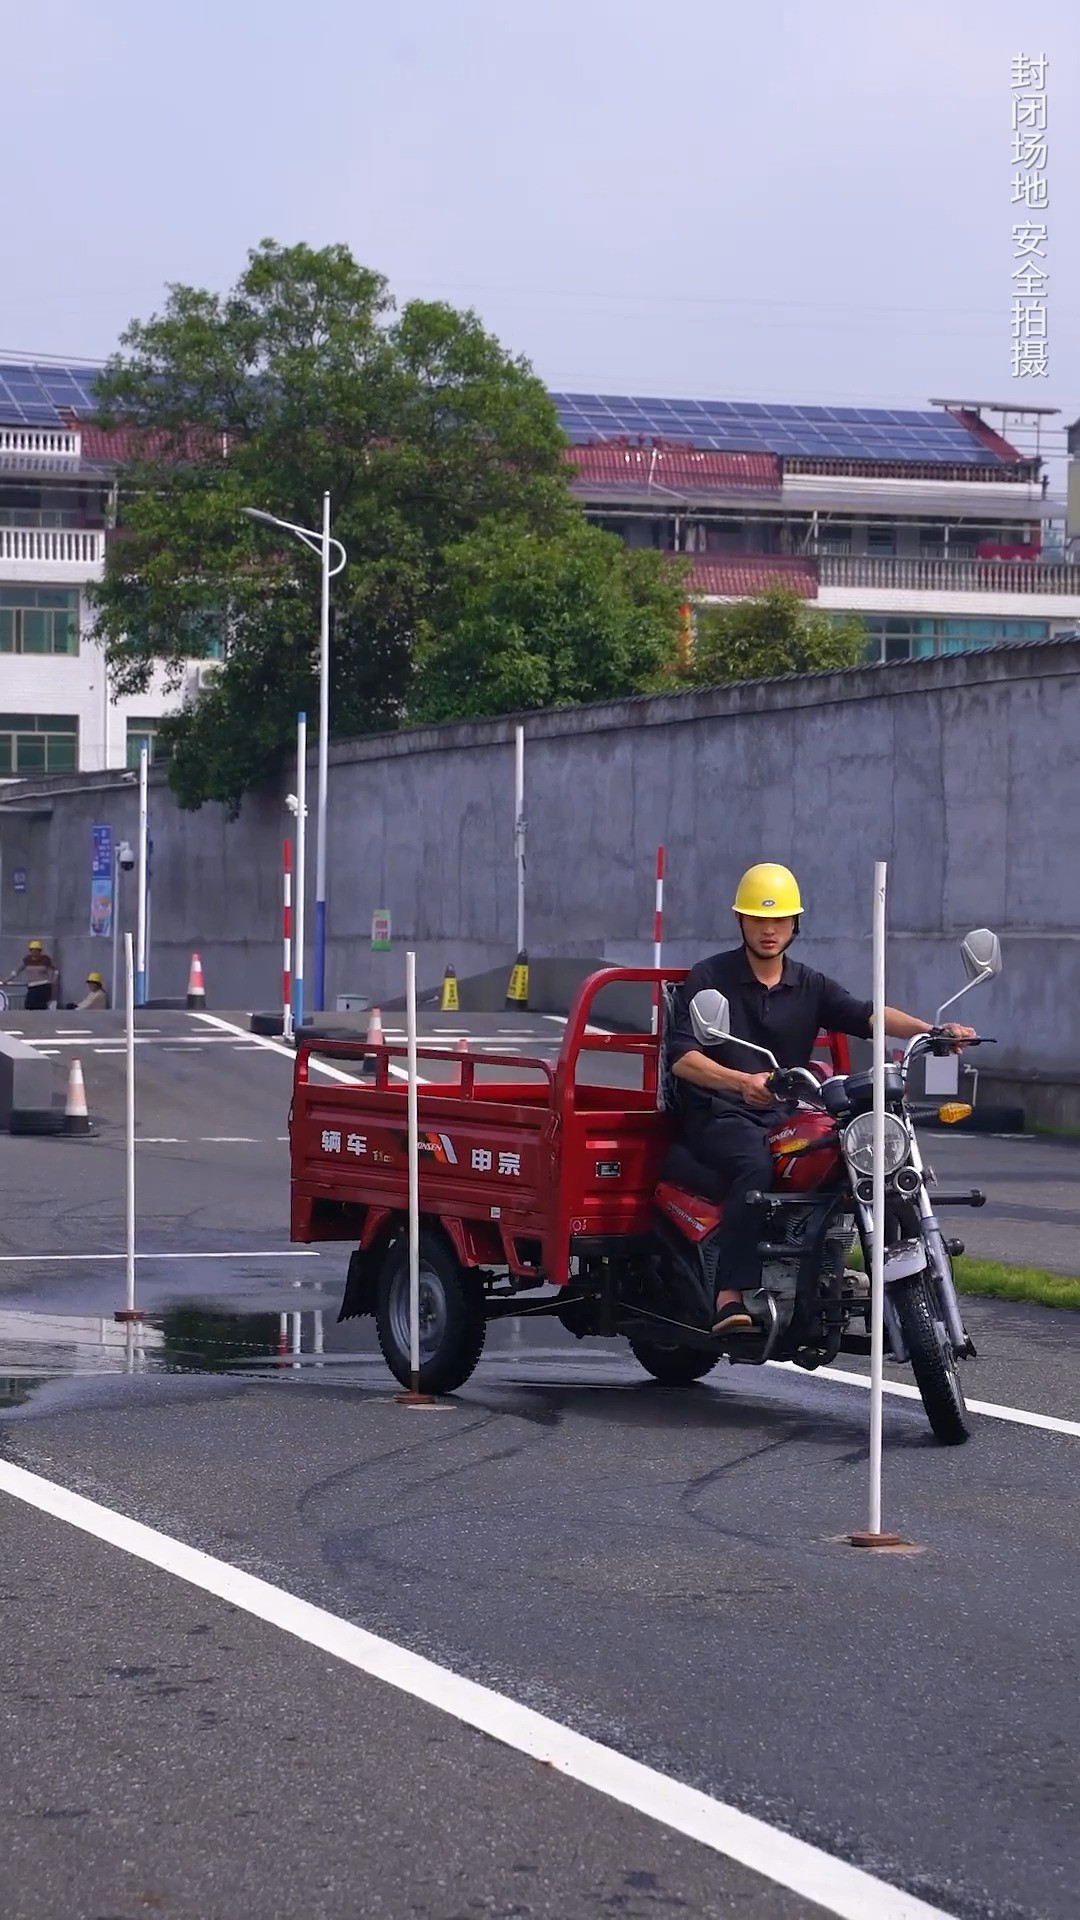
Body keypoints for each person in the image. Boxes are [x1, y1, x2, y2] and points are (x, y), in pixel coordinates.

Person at [667, 863, 975, 1335]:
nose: (769, 930)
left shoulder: (809, 983)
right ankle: (731, 1295)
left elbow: (866, 1014)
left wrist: (932, 1031)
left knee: (858, 1159)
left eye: (780, 920)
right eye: (758, 918)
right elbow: (683, 1057)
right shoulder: (710, 977)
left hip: (786, 1113)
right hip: (722, 1113)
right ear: (740, 920)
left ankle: (857, 1275)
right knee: (754, 1167)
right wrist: (740, 1082)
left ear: (795, 924)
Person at [3, 939, 57, 1012]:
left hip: (44, 986)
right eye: (32, 950)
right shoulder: (27, 960)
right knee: (29, 1005)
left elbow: (55, 970)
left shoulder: (45, 959)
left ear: (40, 951)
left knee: (40, 1007)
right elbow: (17, 971)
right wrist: (7, 979)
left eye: (37, 950)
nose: (34, 952)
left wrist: (53, 980)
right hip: (32, 986)